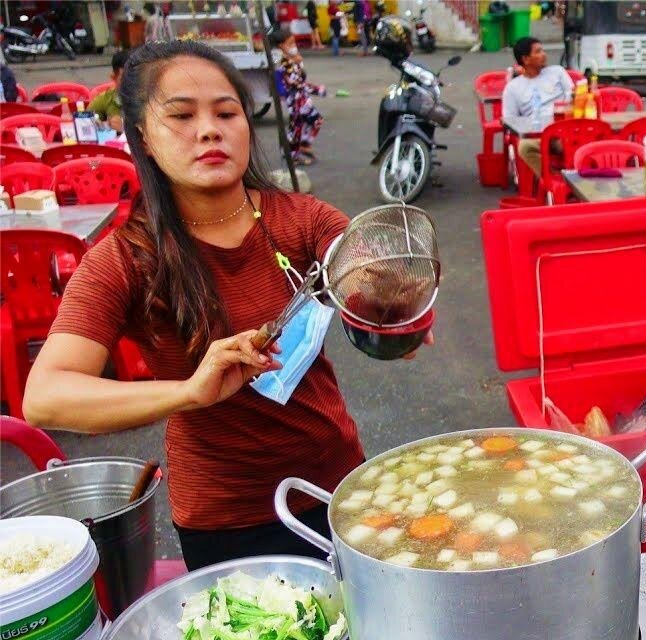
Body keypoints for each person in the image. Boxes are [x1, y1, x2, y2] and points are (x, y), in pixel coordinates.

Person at [21, 41, 384, 571]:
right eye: (182, 116)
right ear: (142, 137)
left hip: (339, 486)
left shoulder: (302, 219)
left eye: (226, 112)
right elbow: (46, 397)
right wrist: (190, 392)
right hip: (227, 518)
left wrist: (391, 300)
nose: (209, 130)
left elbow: (367, 263)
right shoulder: (127, 259)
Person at [501, 36, 574, 178]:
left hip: (565, 130)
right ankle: (553, 180)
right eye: (538, 51)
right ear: (526, 59)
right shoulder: (513, 88)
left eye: (543, 50)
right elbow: (510, 120)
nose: (544, 54)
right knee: (524, 147)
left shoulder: (557, 72)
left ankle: (583, 179)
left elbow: (573, 95)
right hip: (540, 136)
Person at [270, 27, 326, 164]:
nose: (294, 46)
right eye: (290, 43)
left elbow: (301, 78)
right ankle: (292, 157)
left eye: (294, 42)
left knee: (317, 121)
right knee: (295, 130)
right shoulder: (284, 64)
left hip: (303, 100)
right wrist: (317, 89)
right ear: (282, 46)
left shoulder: (293, 60)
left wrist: (298, 61)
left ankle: (304, 145)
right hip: (295, 102)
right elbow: (297, 83)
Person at [88, 49, 130, 132]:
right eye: (125, 78)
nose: (132, 83)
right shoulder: (106, 98)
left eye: (136, 77)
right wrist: (105, 125)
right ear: (113, 77)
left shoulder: (151, 98)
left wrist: (126, 128)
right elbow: (84, 123)